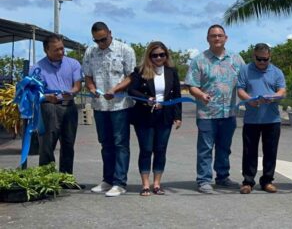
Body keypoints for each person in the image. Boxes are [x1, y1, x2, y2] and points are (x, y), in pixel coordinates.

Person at [186, 25, 246, 194]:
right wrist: (200, 95)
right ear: (208, 39)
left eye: (220, 35)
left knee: (224, 147)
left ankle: (222, 177)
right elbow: (192, 85)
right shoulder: (199, 60)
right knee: (205, 148)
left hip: (229, 112)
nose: (217, 38)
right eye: (213, 36)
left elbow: (245, 81)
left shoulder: (236, 59)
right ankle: (204, 179)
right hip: (207, 113)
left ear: (226, 38)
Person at [83, 22, 136, 197]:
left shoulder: (125, 50)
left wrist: (116, 89)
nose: (101, 43)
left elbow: (131, 77)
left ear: (110, 33)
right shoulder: (90, 52)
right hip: (100, 106)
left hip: (119, 105)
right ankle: (107, 180)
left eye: (103, 39)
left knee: (120, 143)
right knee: (105, 144)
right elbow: (88, 76)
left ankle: (120, 182)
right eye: (97, 40)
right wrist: (91, 88)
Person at [126, 41, 182, 196]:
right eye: (155, 55)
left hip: (164, 116)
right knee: (146, 149)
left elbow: (176, 95)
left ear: (166, 55)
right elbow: (131, 90)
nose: (158, 58)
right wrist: (146, 98)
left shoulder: (171, 71)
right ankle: (145, 184)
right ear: (149, 56)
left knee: (160, 149)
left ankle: (157, 183)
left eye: (162, 55)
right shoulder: (140, 70)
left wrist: (178, 116)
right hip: (144, 115)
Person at [236, 43, 287, 194]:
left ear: (269, 57)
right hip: (252, 119)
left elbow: (282, 91)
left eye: (266, 59)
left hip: (272, 119)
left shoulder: (277, 72)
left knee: (270, 151)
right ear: (254, 56)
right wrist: (249, 100)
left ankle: (267, 181)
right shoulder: (245, 70)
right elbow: (240, 89)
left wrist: (274, 96)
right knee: (249, 151)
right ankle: (248, 181)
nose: (262, 63)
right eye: (259, 59)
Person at [33, 34, 82, 178]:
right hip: (49, 107)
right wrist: (46, 97)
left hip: (69, 106)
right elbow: (34, 92)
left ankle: (66, 178)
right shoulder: (37, 68)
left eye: (62, 48)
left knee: (68, 144)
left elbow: (77, 85)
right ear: (46, 50)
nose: (60, 52)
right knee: (48, 144)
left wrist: (72, 92)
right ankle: (46, 178)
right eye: (56, 50)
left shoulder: (73, 64)